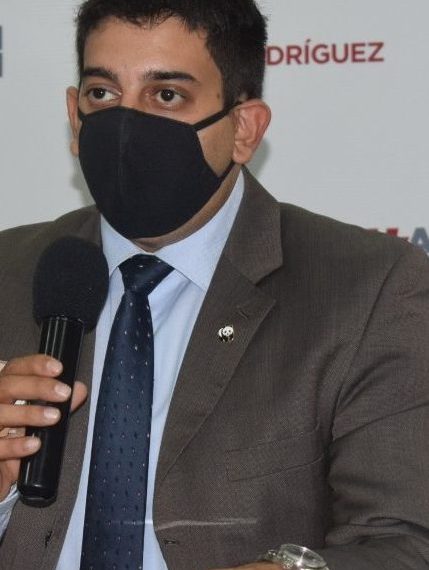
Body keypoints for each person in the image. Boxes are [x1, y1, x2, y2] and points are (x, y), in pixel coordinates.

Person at [0, 1, 429, 569]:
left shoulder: (367, 289)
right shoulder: (8, 270)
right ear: (74, 118)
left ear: (245, 128)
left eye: (166, 95)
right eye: (102, 93)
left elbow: (405, 543)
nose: (126, 126)